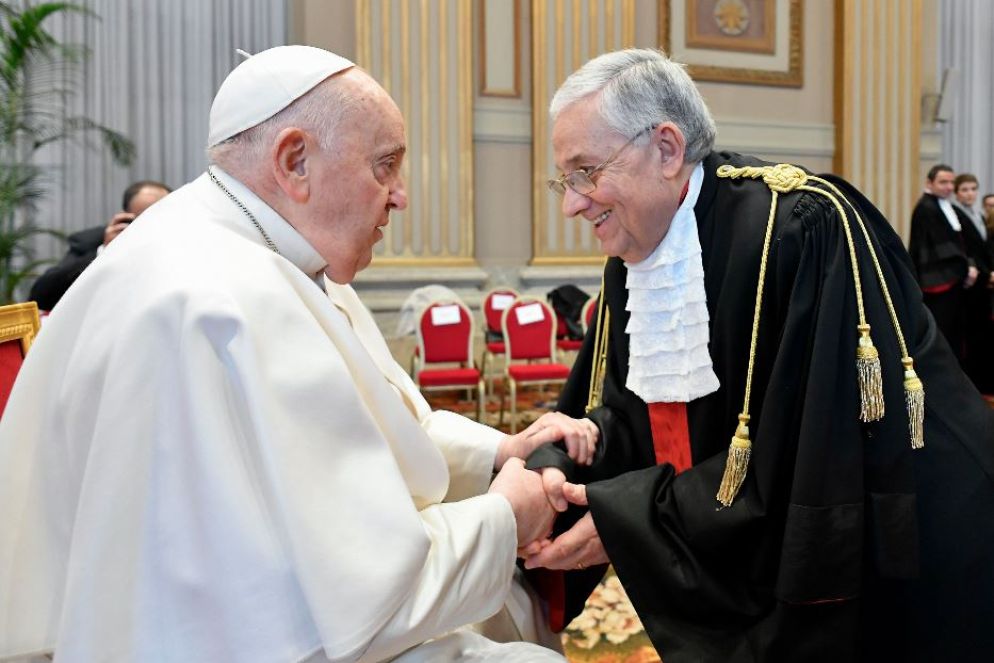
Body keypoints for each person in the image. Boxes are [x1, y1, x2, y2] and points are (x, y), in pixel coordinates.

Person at [0, 46, 596, 663]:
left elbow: (375, 420)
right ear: (294, 161)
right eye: (385, 166)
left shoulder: (262, 249)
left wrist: (499, 451)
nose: (400, 196)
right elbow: (355, 600)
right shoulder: (222, 293)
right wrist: (504, 517)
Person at [519, 48, 994, 663]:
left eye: (586, 172)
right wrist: (562, 464)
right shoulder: (637, 258)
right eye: (566, 179)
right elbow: (635, 419)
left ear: (666, 149)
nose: (572, 204)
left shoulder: (803, 225)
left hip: (913, 559)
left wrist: (625, 519)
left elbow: (807, 456)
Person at [28, 180, 172, 310]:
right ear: (124, 217)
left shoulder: (186, 241)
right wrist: (104, 252)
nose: (151, 224)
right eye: (143, 217)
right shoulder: (90, 241)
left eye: (160, 215)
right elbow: (41, 298)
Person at [907, 164, 987, 361]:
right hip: (939, 281)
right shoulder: (926, 207)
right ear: (929, 183)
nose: (949, 187)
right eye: (943, 182)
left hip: (952, 279)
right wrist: (966, 268)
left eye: (951, 182)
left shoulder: (943, 205)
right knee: (943, 331)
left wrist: (969, 265)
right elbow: (939, 247)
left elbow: (961, 242)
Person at [951, 173, 994, 392]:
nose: (970, 193)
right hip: (972, 285)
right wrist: (987, 274)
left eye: (973, 189)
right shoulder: (956, 215)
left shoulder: (977, 214)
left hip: (983, 284)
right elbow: (968, 252)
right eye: (965, 189)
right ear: (957, 193)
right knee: (972, 334)